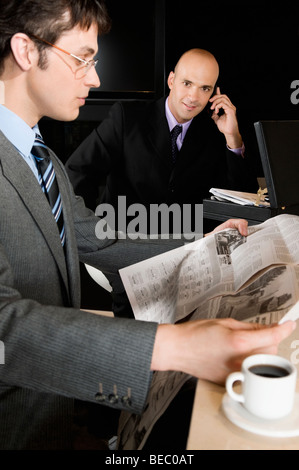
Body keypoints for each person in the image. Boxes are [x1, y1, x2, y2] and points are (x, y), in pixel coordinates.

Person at [0, 0, 295, 450]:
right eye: (82, 58)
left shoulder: (42, 159)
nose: (95, 77)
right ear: (25, 50)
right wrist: (177, 347)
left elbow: (91, 234)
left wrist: (200, 241)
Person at [65, 48, 257, 235]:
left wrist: (233, 138)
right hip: (125, 244)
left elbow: (245, 203)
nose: (193, 97)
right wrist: (88, 232)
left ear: (213, 93)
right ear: (171, 80)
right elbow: (78, 172)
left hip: (184, 249)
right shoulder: (127, 117)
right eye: (187, 83)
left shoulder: (216, 131)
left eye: (204, 88)